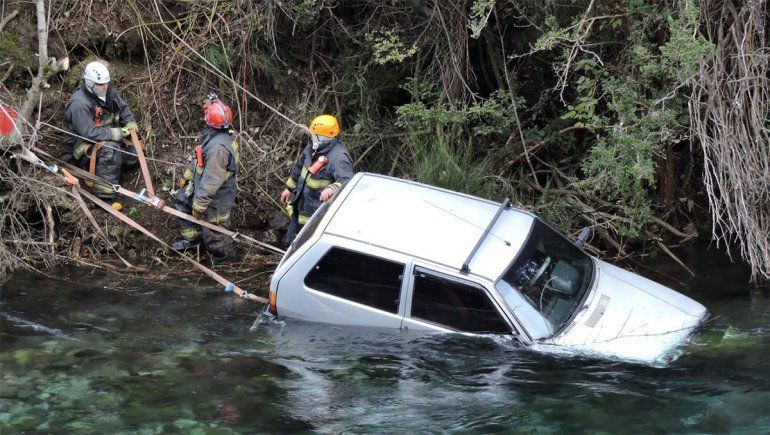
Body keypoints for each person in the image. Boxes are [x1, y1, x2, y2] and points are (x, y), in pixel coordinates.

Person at [170, 93, 239, 264]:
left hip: (217, 194)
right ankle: (191, 241)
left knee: (213, 232)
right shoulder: (214, 135)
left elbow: (212, 178)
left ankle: (226, 263)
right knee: (183, 200)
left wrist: (200, 204)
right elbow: (199, 159)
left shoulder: (218, 148)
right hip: (202, 185)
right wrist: (187, 177)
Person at [63, 61, 138, 201]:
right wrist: (115, 134)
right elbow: (89, 133)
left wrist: (130, 122)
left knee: (133, 157)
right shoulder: (79, 104)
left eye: (106, 83)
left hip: (106, 137)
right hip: (82, 145)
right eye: (100, 84)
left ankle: (106, 169)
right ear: (89, 83)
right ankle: (105, 196)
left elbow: (123, 108)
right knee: (111, 150)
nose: (105, 87)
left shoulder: (108, 91)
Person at [279, 114, 354, 247]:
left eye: (314, 135)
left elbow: (347, 181)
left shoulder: (339, 157)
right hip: (300, 207)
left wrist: (332, 188)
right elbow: (299, 169)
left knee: (304, 248)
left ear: (323, 137)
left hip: (316, 217)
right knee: (290, 243)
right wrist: (288, 188)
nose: (311, 136)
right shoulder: (312, 148)